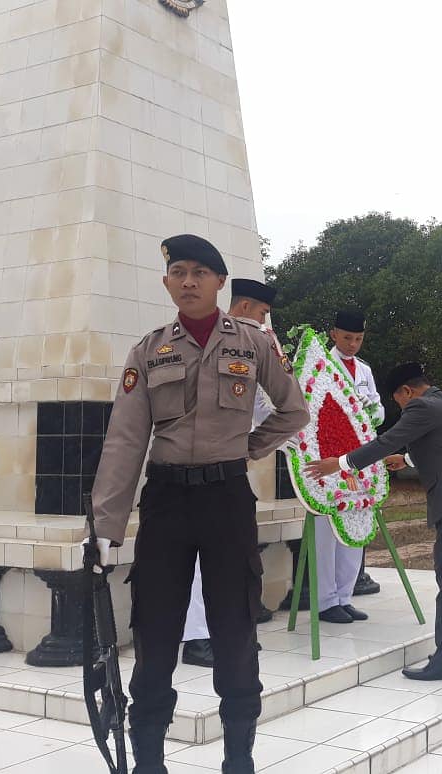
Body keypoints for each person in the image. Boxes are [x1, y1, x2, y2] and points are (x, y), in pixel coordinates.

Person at [89, 235, 310, 774]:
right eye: (179, 272)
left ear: (219, 282)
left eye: (200, 273)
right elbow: (125, 440)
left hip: (226, 501)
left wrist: (246, 448)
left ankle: (239, 760)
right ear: (167, 282)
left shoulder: (253, 344)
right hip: (165, 502)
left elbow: (294, 411)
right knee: (154, 630)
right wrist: (105, 526)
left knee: (235, 631)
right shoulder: (148, 350)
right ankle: (148, 763)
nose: (188, 281)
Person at [305, 363, 442, 681]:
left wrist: (339, 463)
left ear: (407, 391)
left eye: (399, 402)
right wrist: (408, 459)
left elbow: (386, 441)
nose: (402, 409)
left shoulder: (421, 406)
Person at [182, 278, 280, 668]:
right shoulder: (213, 343)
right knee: (199, 563)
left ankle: (225, 633)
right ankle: (196, 638)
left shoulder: (245, 346)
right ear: (243, 308)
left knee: (230, 558)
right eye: (262, 314)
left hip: (229, 470)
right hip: (193, 470)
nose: (265, 322)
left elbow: (261, 407)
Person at [311, 309, 384, 623]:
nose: (353, 344)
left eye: (359, 339)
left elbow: (379, 410)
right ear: (333, 334)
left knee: (356, 525)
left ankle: (344, 596)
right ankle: (325, 601)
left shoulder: (364, 370)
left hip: (358, 459)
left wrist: (372, 410)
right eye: (347, 338)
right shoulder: (320, 365)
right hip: (327, 457)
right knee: (326, 534)